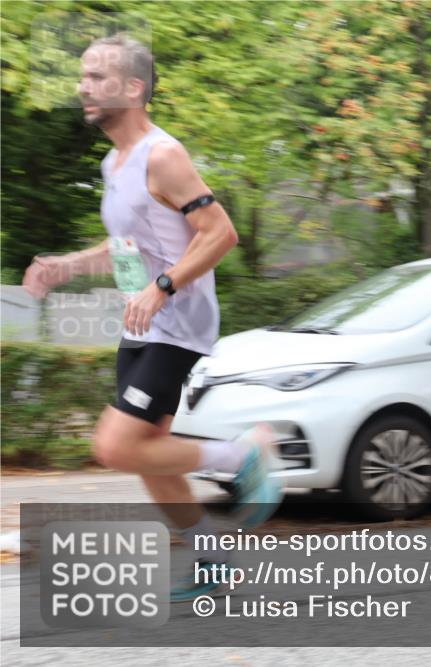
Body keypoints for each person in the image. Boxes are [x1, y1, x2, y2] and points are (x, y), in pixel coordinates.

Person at [21, 34, 282, 599]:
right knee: (147, 456)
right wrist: (67, 265)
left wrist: (162, 288)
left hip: (177, 323)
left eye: (97, 77)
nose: (83, 86)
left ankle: (244, 454)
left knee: (114, 446)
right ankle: (216, 558)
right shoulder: (115, 162)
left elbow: (221, 233)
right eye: (83, 75)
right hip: (142, 323)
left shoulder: (163, 155)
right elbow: (129, 246)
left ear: (133, 88)